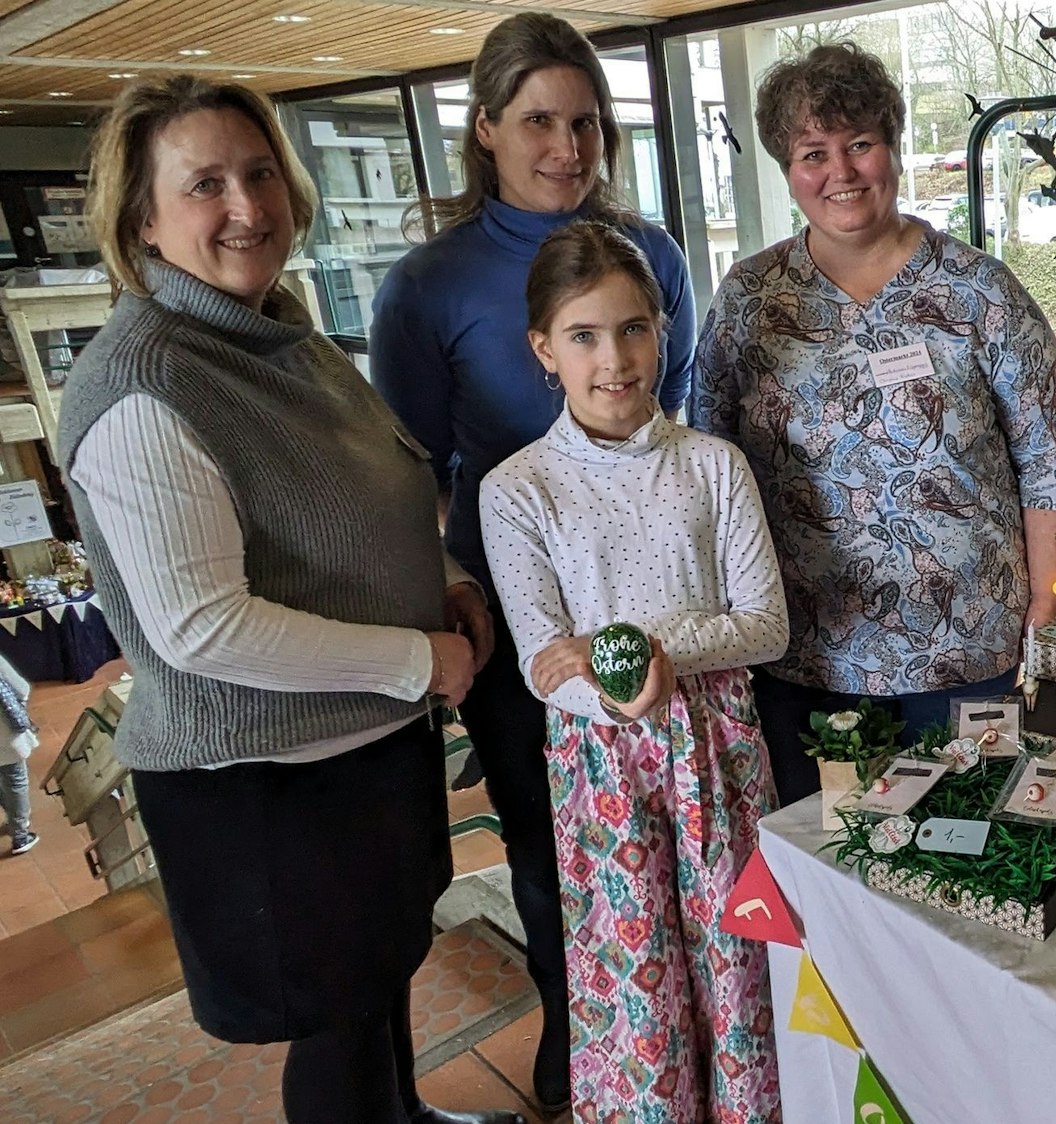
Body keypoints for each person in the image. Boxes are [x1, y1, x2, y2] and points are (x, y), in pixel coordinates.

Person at [55, 75, 517, 1124]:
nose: (247, 207)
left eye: (260, 171)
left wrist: (440, 578)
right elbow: (200, 626)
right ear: (142, 218)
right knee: (334, 1023)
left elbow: (368, 486)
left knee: (377, 980)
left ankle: (407, 1112)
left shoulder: (278, 329)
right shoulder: (144, 381)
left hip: (356, 749)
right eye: (205, 183)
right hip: (267, 786)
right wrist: (418, 660)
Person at [370, 14, 698, 1109]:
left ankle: (692, 1033)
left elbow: (669, 420)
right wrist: (452, 604)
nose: (566, 146)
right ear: (487, 130)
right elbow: (411, 467)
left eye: (586, 122)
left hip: (657, 605)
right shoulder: (427, 285)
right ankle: (582, 1040)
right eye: (539, 121)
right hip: (519, 621)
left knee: (676, 827)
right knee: (554, 849)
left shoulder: (650, 254)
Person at [691, 43, 1056, 806]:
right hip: (806, 654)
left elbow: (1049, 453)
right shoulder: (751, 299)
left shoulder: (979, 291)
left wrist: (1047, 605)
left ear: (893, 150)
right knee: (833, 859)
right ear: (787, 167)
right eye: (814, 153)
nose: (841, 172)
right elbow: (709, 460)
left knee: (969, 847)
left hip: (969, 647)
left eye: (860, 144)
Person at [481, 221, 785, 1123]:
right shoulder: (518, 489)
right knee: (635, 976)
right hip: (605, 772)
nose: (613, 359)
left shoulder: (714, 465)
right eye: (584, 336)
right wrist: (614, 687)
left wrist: (638, 649)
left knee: (739, 963)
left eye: (633, 329)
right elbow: (546, 662)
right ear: (545, 349)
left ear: (662, 331)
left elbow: (765, 625)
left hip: (719, 755)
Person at [0, 653, 38, 855]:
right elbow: (21, 687)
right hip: (4, 736)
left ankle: (13, 817)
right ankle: (20, 836)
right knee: (15, 780)